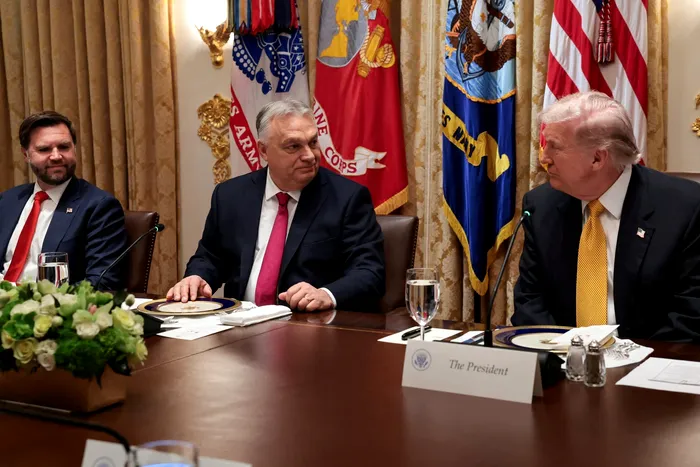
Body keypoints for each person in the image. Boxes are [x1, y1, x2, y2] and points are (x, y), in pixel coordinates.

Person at [512, 91, 700, 342]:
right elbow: (529, 300)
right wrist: (562, 353)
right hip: (561, 358)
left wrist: (625, 359)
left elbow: (691, 316)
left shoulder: (685, 208)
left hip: (650, 359)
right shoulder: (541, 205)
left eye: (554, 147)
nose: (544, 158)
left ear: (597, 158)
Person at [168, 98, 385, 312]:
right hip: (239, 323)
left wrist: (325, 294)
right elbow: (210, 256)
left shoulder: (347, 198)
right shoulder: (230, 195)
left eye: (312, 142)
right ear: (263, 151)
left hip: (306, 324)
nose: (309, 156)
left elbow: (370, 272)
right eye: (294, 146)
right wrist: (197, 277)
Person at [0, 111, 127, 290]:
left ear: (74, 148)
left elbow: (102, 283)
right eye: (44, 149)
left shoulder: (99, 206)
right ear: (26, 154)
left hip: (46, 304)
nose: (56, 156)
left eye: (64, 147)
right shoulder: (8, 200)